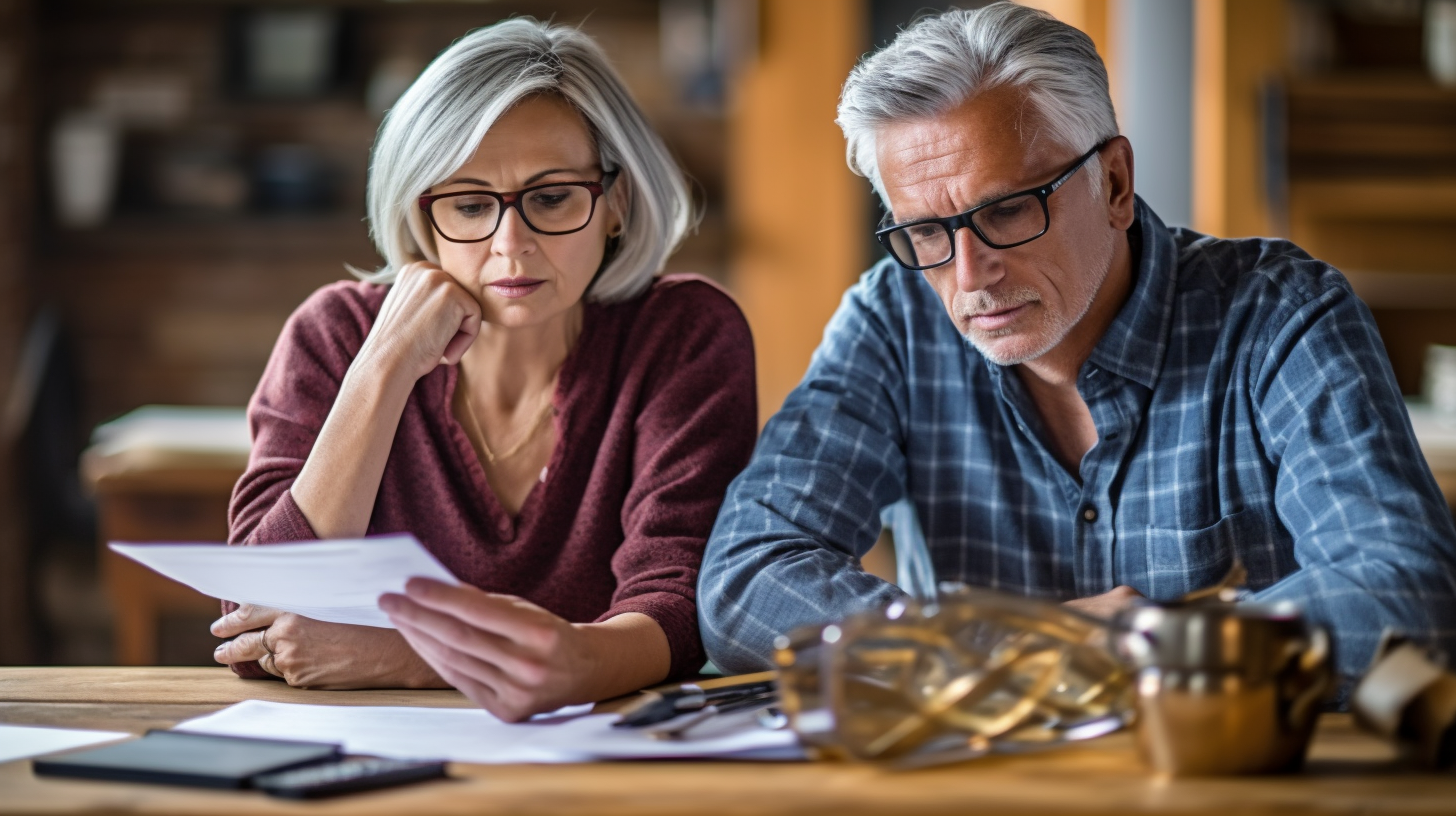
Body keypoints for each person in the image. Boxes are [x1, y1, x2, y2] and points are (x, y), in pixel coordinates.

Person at [698, 4, 1456, 690]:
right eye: (927, 232)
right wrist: (1010, 645)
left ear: (1116, 182)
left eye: (1008, 211)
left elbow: (1403, 596)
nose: (969, 277)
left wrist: (1136, 646)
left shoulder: (1279, 314)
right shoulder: (893, 320)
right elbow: (745, 581)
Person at [211, 18, 757, 721]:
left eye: (552, 197)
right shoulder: (336, 332)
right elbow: (255, 619)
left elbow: (680, 609)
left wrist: (405, 657)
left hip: (601, 758)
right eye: (469, 206)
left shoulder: (681, 335)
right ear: (422, 217)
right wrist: (382, 368)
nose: (511, 246)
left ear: (615, 203)